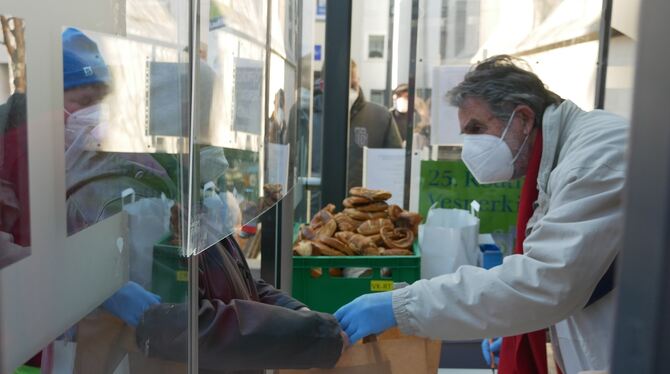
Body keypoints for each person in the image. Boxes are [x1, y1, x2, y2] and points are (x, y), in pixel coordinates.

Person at [60, 28, 346, 373]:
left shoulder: (179, 185)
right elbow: (180, 324)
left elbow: (233, 280)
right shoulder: (131, 198)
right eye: (205, 120)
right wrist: (310, 335)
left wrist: (297, 314)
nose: (215, 137)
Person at [335, 55, 626, 374]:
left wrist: (402, 306)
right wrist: (534, 326)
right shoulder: (562, 155)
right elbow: (580, 269)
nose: (470, 145)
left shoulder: (594, 161)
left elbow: (547, 281)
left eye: (477, 128)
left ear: (523, 119)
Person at [347, 60, 402, 190]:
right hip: (315, 206)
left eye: (352, 86)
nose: (347, 92)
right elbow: (292, 166)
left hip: (364, 205)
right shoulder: (306, 114)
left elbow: (396, 166)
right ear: (323, 84)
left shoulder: (381, 116)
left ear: (359, 81)